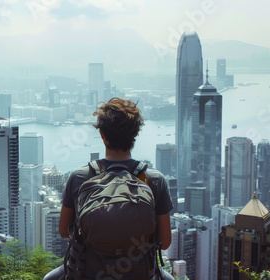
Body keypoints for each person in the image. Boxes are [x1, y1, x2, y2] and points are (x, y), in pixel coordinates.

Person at [44, 98, 174, 280]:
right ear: (134, 136)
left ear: (103, 135)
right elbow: (165, 242)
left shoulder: (79, 177)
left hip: (87, 272)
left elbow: (64, 230)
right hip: (140, 274)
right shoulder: (155, 180)